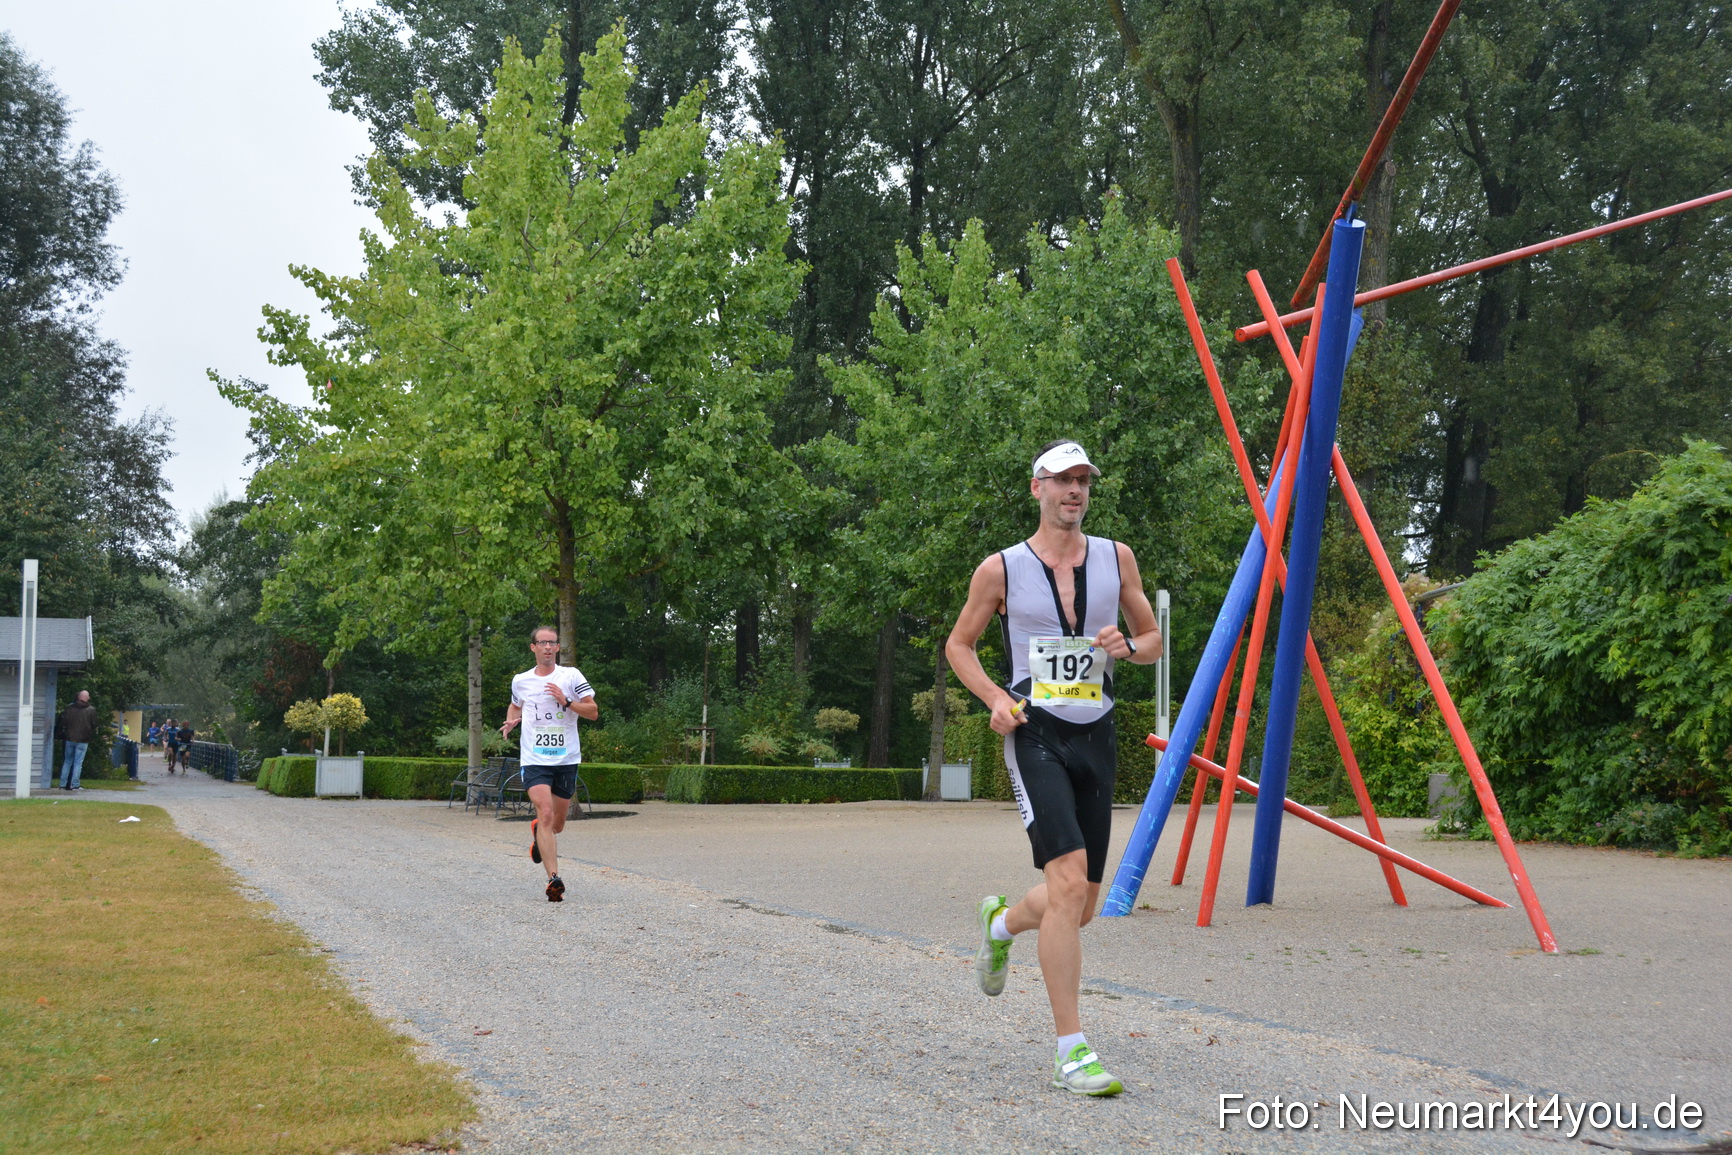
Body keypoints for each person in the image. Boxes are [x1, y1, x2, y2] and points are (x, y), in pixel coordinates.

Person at [946, 439, 1162, 1097]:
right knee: (1066, 882)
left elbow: (1152, 641)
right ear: (1036, 487)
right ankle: (1073, 1049)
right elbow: (959, 645)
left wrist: (1131, 646)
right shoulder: (1000, 570)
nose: (1075, 491)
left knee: (1082, 904)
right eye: (1063, 480)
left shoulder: (1115, 557)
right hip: (1034, 733)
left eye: (1084, 481)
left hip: (1096, 732)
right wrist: (995, 698)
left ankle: (1001, 924)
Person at [500, 626, 597, 902]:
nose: (547, 647)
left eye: (552, 643)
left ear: (557, 648)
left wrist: (566, 701)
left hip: (566, 759)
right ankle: (554, 879)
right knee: (545, 813)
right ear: (533, 647)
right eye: (542, 642)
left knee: (556, 825)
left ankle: (538, 833)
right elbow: (515, 704)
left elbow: (593, 711)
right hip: (534, 759)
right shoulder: (521, 680)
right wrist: (512, 719)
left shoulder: (571, 676)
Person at [57, 690, 99, 791]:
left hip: (69, 739)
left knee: (67, 761)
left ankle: (62, 784)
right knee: (78, 763)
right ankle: (75, 785)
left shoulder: (69, 708)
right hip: (83, 740)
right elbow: (94, 724)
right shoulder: (91, 710)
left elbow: (63, 722)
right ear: (86, 698)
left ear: (78, 697)